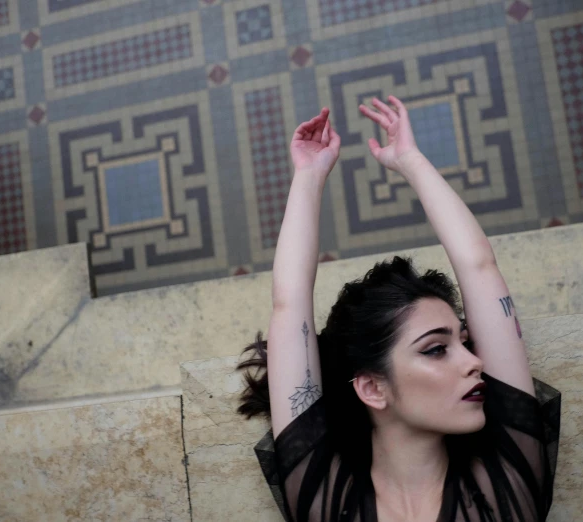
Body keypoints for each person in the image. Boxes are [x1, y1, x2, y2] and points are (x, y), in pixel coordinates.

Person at [237, 96, 561, 522]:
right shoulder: (326, 503)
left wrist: (411, 160)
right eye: (435, 349)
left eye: (463, 341)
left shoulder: (505, 483)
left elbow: (479, 266)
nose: (476, 360)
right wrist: (309, 177)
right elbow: (289, 303)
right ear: (372, 388)